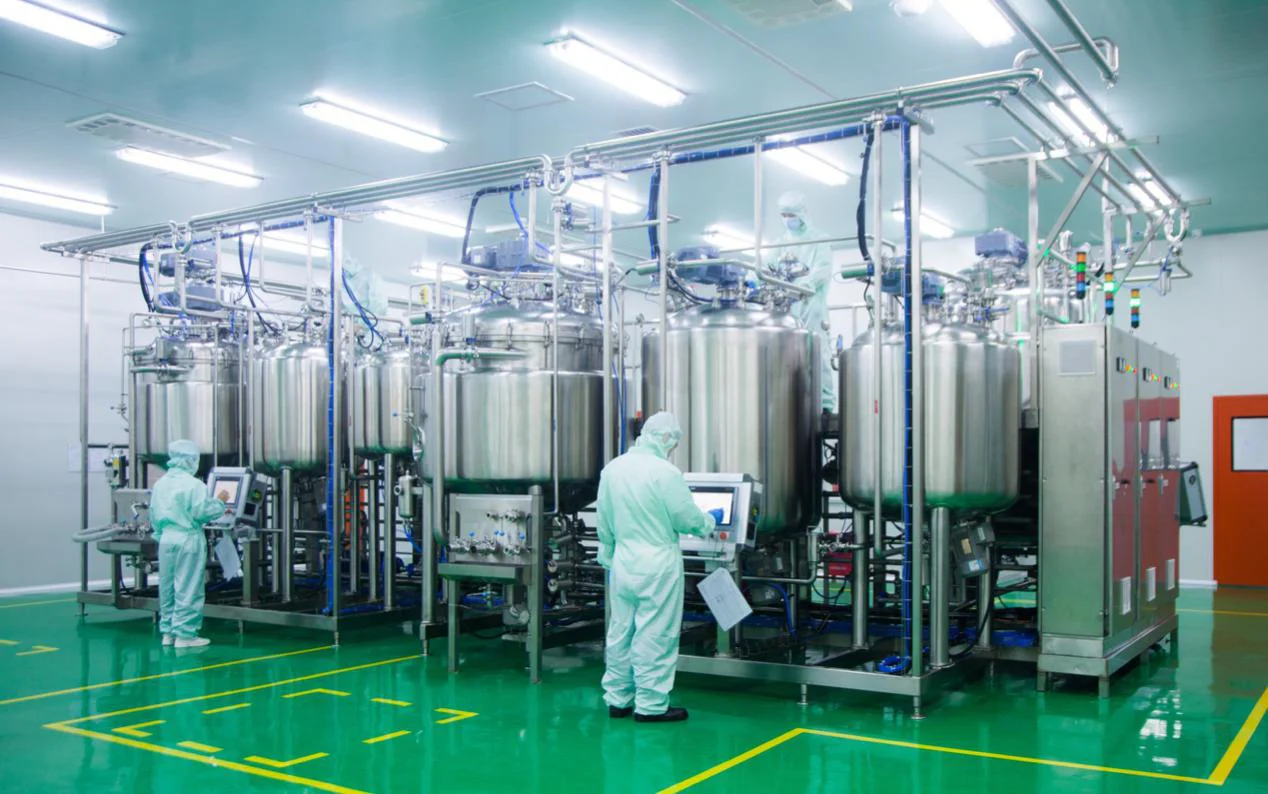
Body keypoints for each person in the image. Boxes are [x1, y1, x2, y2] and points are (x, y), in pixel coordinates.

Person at [597, 412, 722, 723]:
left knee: (621, 631)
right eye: (674, 442)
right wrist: (710, 521)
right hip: (657, 565)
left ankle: (618, 699)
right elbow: (685, 518)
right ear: (666, 439)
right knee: (655, 633)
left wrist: (608, 551)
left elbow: (604, 519)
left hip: (623, 562)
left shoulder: (612, 469)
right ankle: (651, 705)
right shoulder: (665, 473)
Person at [150, 439, 229, 648]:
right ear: (192, 460)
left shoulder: (160, 484)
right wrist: (220, 502)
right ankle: (185, 635)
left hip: (166, 539)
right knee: (188, 587)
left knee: (167, 587)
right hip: (187, 538)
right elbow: (202, 512)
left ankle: (168, 633)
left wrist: (160, 534)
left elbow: (153, 515)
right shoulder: (194, 485)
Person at [777, 191, 837, 414]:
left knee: (817, 353)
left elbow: (822, 270)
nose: (787, 219)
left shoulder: (818, 240)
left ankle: (825, 405)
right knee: (786, 356)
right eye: (783, 215)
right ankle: (787, 402)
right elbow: (763, 270)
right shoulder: (779, 244)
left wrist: (804, 283)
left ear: (801, 214)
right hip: (785, 309)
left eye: (791, 214)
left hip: (811, 307)